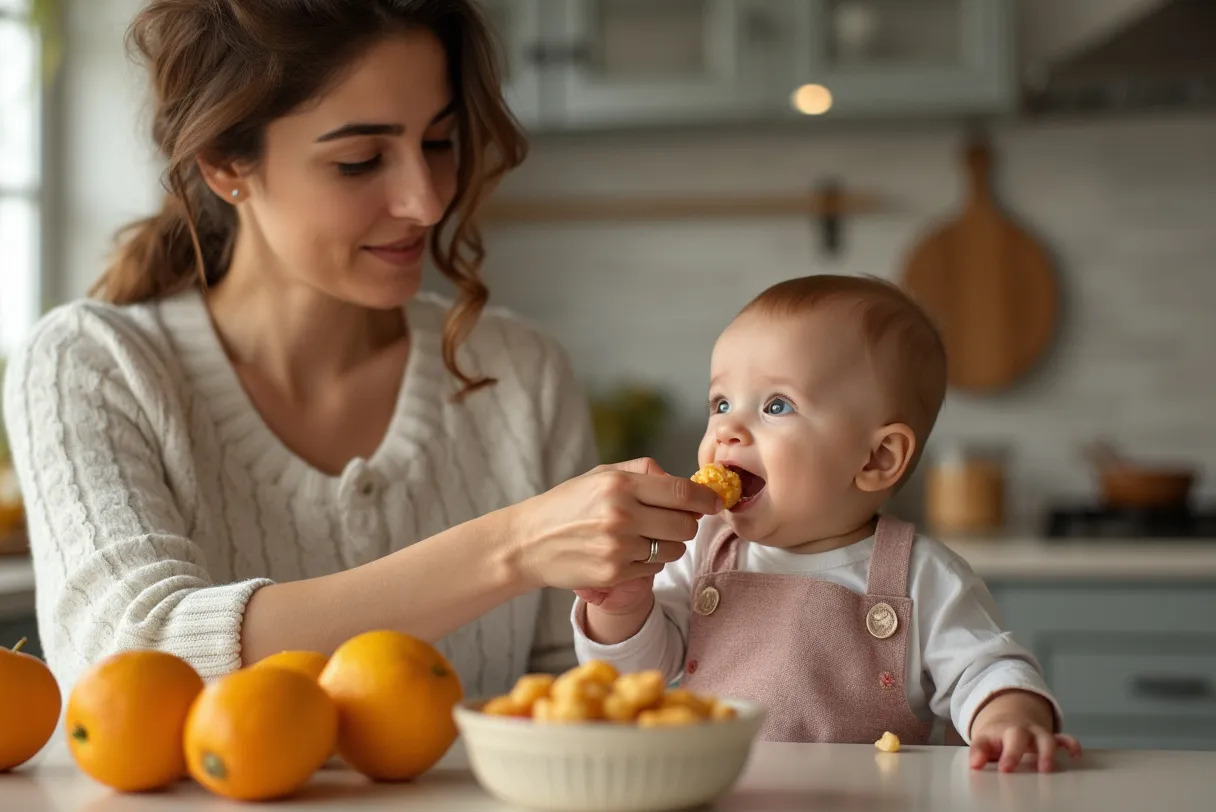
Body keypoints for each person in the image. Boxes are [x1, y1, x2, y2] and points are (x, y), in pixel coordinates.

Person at [0, 0, 718, 696]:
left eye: (438, 143)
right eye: (360, 159)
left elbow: (590, 696)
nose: (427, 202)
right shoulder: (93, 364)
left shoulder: (518, 372)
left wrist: (621, 614)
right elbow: (133, 658)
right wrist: (513, 547)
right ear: (225, 164)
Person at [573, 275, 1083, 772]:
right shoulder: (701, 551)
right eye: (721, 403)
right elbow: (633, 682)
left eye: (776, 405)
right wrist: (625, 608)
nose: (726, 429)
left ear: (877, 458)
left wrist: (1009, 715)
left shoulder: (921, 576)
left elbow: (986, 668)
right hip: (719, 804)